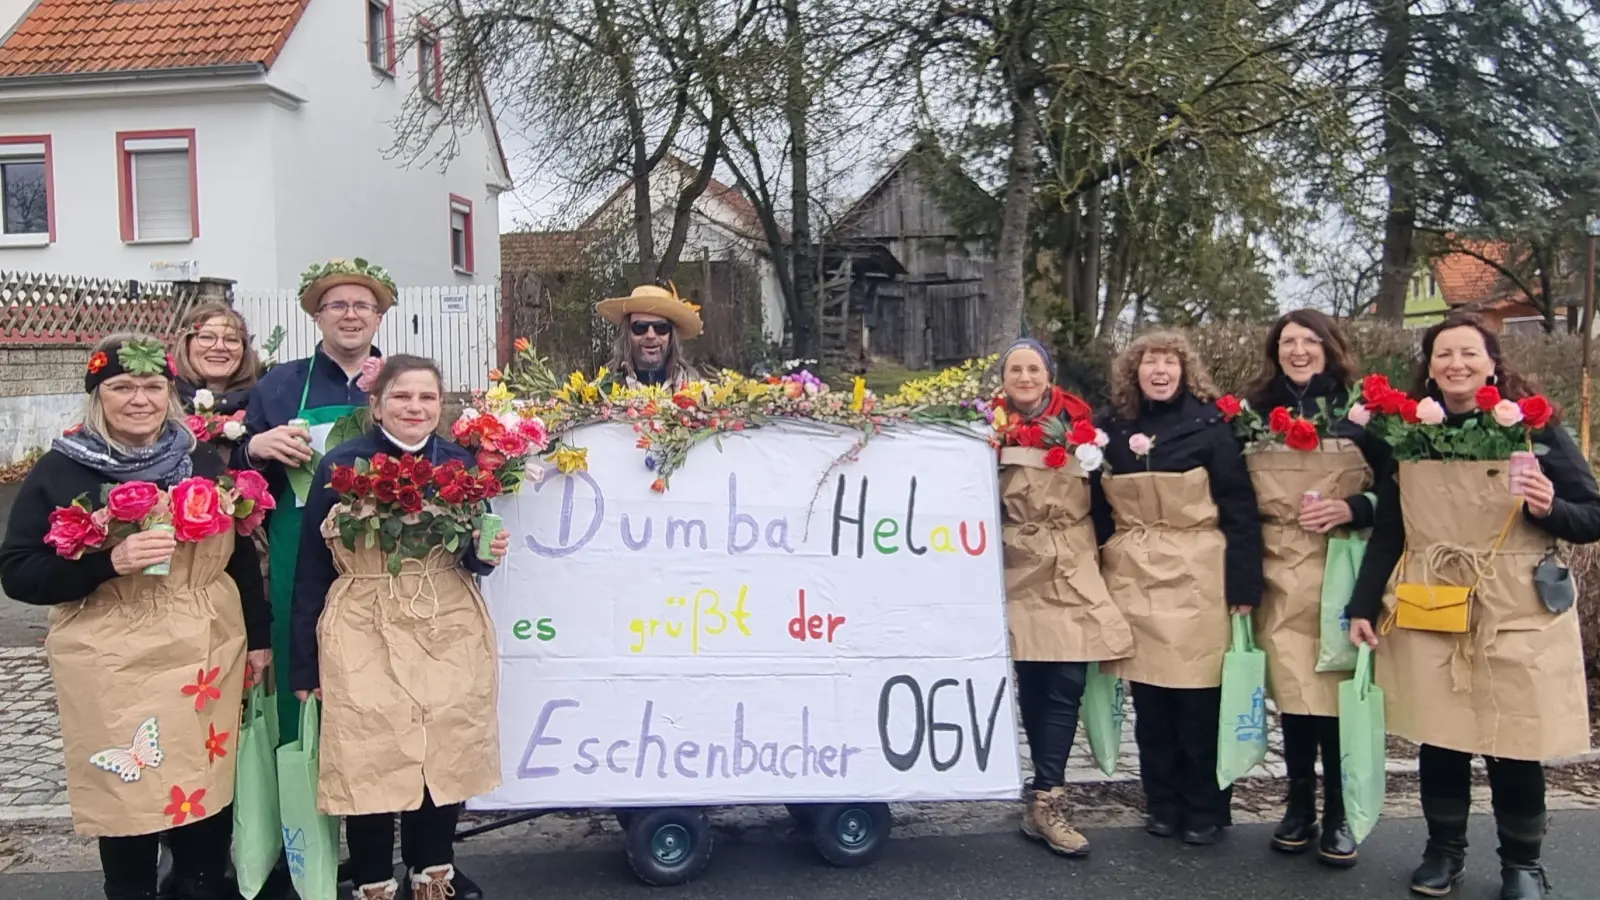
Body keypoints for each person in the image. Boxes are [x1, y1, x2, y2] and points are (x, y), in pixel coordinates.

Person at [0, 334, 269, 900]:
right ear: (98, 396)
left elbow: (239, 554)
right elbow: (18, 571)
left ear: (170, 393)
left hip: (204, 646)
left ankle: (197, 883)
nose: (139, 399)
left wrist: (259, 638)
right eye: (122, 386)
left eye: (151, 386)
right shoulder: (61, 470)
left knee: (203, 773)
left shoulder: (197, 459)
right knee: (129, 785)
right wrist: (106, 563)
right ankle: (131, 890)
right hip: (111, 652)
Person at [1348, 312, 1600, 900]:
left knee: (1515, 740)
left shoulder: (1533, 429)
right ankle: (1443, 852)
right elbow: (1391, 529)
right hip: (1433, 597)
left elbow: (1591, 515)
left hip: (1515, 605)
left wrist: (1548, 506)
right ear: (1429, 369)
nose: (1455, 364)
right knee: (1442, 737)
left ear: (1492, 363)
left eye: (1468, 354)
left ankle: (1523, 864)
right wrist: (1363, 606)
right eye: (1443, 355)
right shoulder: (1408, 435)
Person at [291, 355, 508, 900]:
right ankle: (373, 878)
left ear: (440, 406)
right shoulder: (342, 465)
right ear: (377, 403)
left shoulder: (460, 464)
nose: (415, 407)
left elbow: (471, 558)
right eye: (402, 396)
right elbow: (312, 565)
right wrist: (304, 659)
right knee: (371, 747)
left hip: (445, 617)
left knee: (444, 740)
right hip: (364, 618)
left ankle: (432, 869)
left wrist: (487, 554)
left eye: (427, 398)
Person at [1091, 331, 1263, 846]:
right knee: (1150, 701)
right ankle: (1161, 802)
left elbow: (1239, 508)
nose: (1159, 371)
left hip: (1199, 577)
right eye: (1149, 362)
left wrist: (1245, 583)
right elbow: (1097, 510)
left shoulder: (1212, 428)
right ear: (1134, 372)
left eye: (1169, 362)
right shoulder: (1111, 430)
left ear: (1185, 371)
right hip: (1135, 575)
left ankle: (1206, 805)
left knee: (1198, 702)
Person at [1239, 309, 1381, 866]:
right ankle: (1299, 804)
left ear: (1330, 347)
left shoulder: (1363, 410)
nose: (1298, 351)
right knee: (1295, 695)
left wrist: (1353, 506)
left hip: (1343, 566)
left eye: (1309, 341)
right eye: (1287, 342)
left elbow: (1400, 491)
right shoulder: (1253, 413)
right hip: (1280, 568)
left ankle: (1342, 812)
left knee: (1334, 697)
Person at [239, 259, 392, 743]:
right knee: (297, 645)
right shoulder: (280, 384)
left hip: (379, 546)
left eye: (362, 305)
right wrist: (252, 449)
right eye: (338, 305)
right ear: (317, 316)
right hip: (297, 542)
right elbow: (237, 480)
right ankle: (300, 771)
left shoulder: (401, 382)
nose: (351, 315)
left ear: (378, 317)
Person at [994, 338, 1133, 857]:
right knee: (1034, 674)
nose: (1025, 377)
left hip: (1073, 558)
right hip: (1017, 562)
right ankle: (1040, 793)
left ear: (1049, 376)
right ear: (1003, 379)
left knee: (1069, 675)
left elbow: (1108, 497)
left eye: (1034, 368)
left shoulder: (1083, 428)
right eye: (1015, 369)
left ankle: (1049, 793)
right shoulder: (982, 426)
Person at [595, 281, 703, 388]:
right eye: (640, 327)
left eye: (661, 328)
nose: (651, 335)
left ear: (671, 335)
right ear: (627, 333)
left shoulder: (699, 390)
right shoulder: (600, 390)